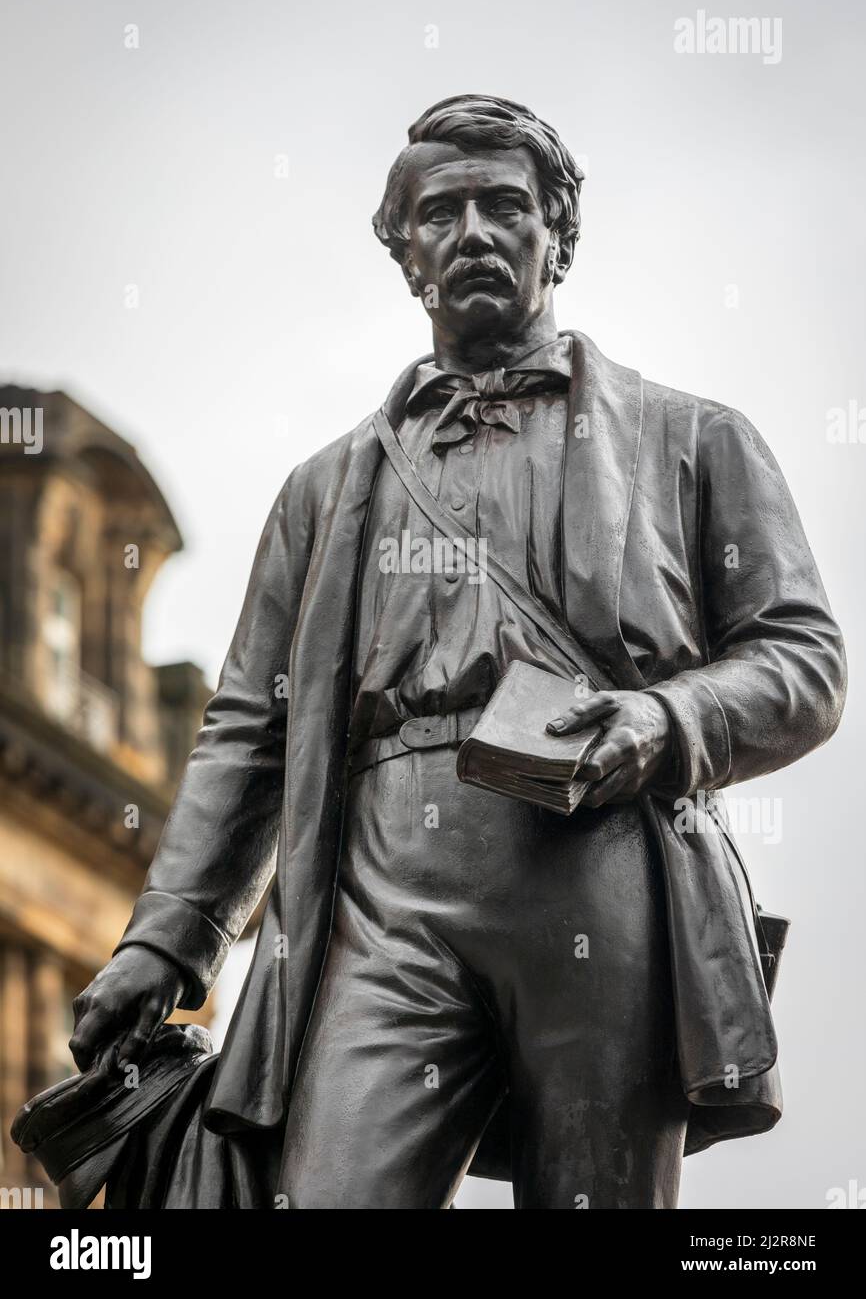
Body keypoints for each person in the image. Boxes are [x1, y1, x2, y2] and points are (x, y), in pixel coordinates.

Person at [68, 95, 846, 1209]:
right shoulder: (324, 490)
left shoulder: (692, 439)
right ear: (405, 254)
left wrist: (665, 720)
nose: (473, 231)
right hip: (384, 896)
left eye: (503, 206)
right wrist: (170, 941)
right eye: (440, 212)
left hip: (601, 868)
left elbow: (802, 657)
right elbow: (251, 723)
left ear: (556, 238)